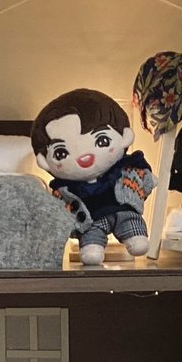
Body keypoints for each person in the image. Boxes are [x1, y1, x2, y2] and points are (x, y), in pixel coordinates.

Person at [32, 89, 156, 266]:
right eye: (61, 153)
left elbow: (141, 178)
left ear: (125, 137)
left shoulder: (126, 168)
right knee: (91, 250)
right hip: (91, 222)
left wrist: (148, 180)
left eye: (101, 140)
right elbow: (57, 210)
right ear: (44, 162)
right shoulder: (64, 190)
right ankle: (92, 248)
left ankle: (134, 235)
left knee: (136, 234)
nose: (85, 156)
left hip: (124, 211)